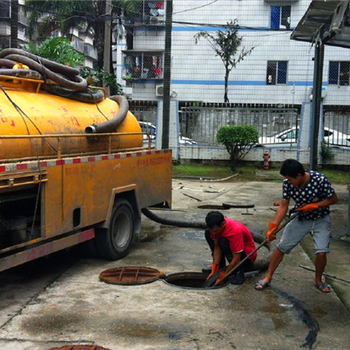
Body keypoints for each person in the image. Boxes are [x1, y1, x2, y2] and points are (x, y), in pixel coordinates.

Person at [254, 159, 339, 293]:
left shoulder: (320, 180)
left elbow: (334, 199)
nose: (288, 182)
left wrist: (314, 206)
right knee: (281, 247)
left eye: (290, 179)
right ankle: (268, 277)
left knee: (321, 252)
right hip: (301, 218)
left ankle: (318, 280)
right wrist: (273, 227)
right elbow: (284, 205)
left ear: (299, 175)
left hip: (321, 218)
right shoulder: (287, 184)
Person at [204, 211, 257, 285]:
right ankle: (220, 268)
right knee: (208, 233)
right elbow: (217, 248)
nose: (213, 233)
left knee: (223, 241)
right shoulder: (215, 230)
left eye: (215, 231)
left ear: (223, 224)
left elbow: (236, 259)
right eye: (212, 230)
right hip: (234, 253)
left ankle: (238, 272)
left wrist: (224, 276)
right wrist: (214, 268)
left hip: (246, 257)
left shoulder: (235, 231)